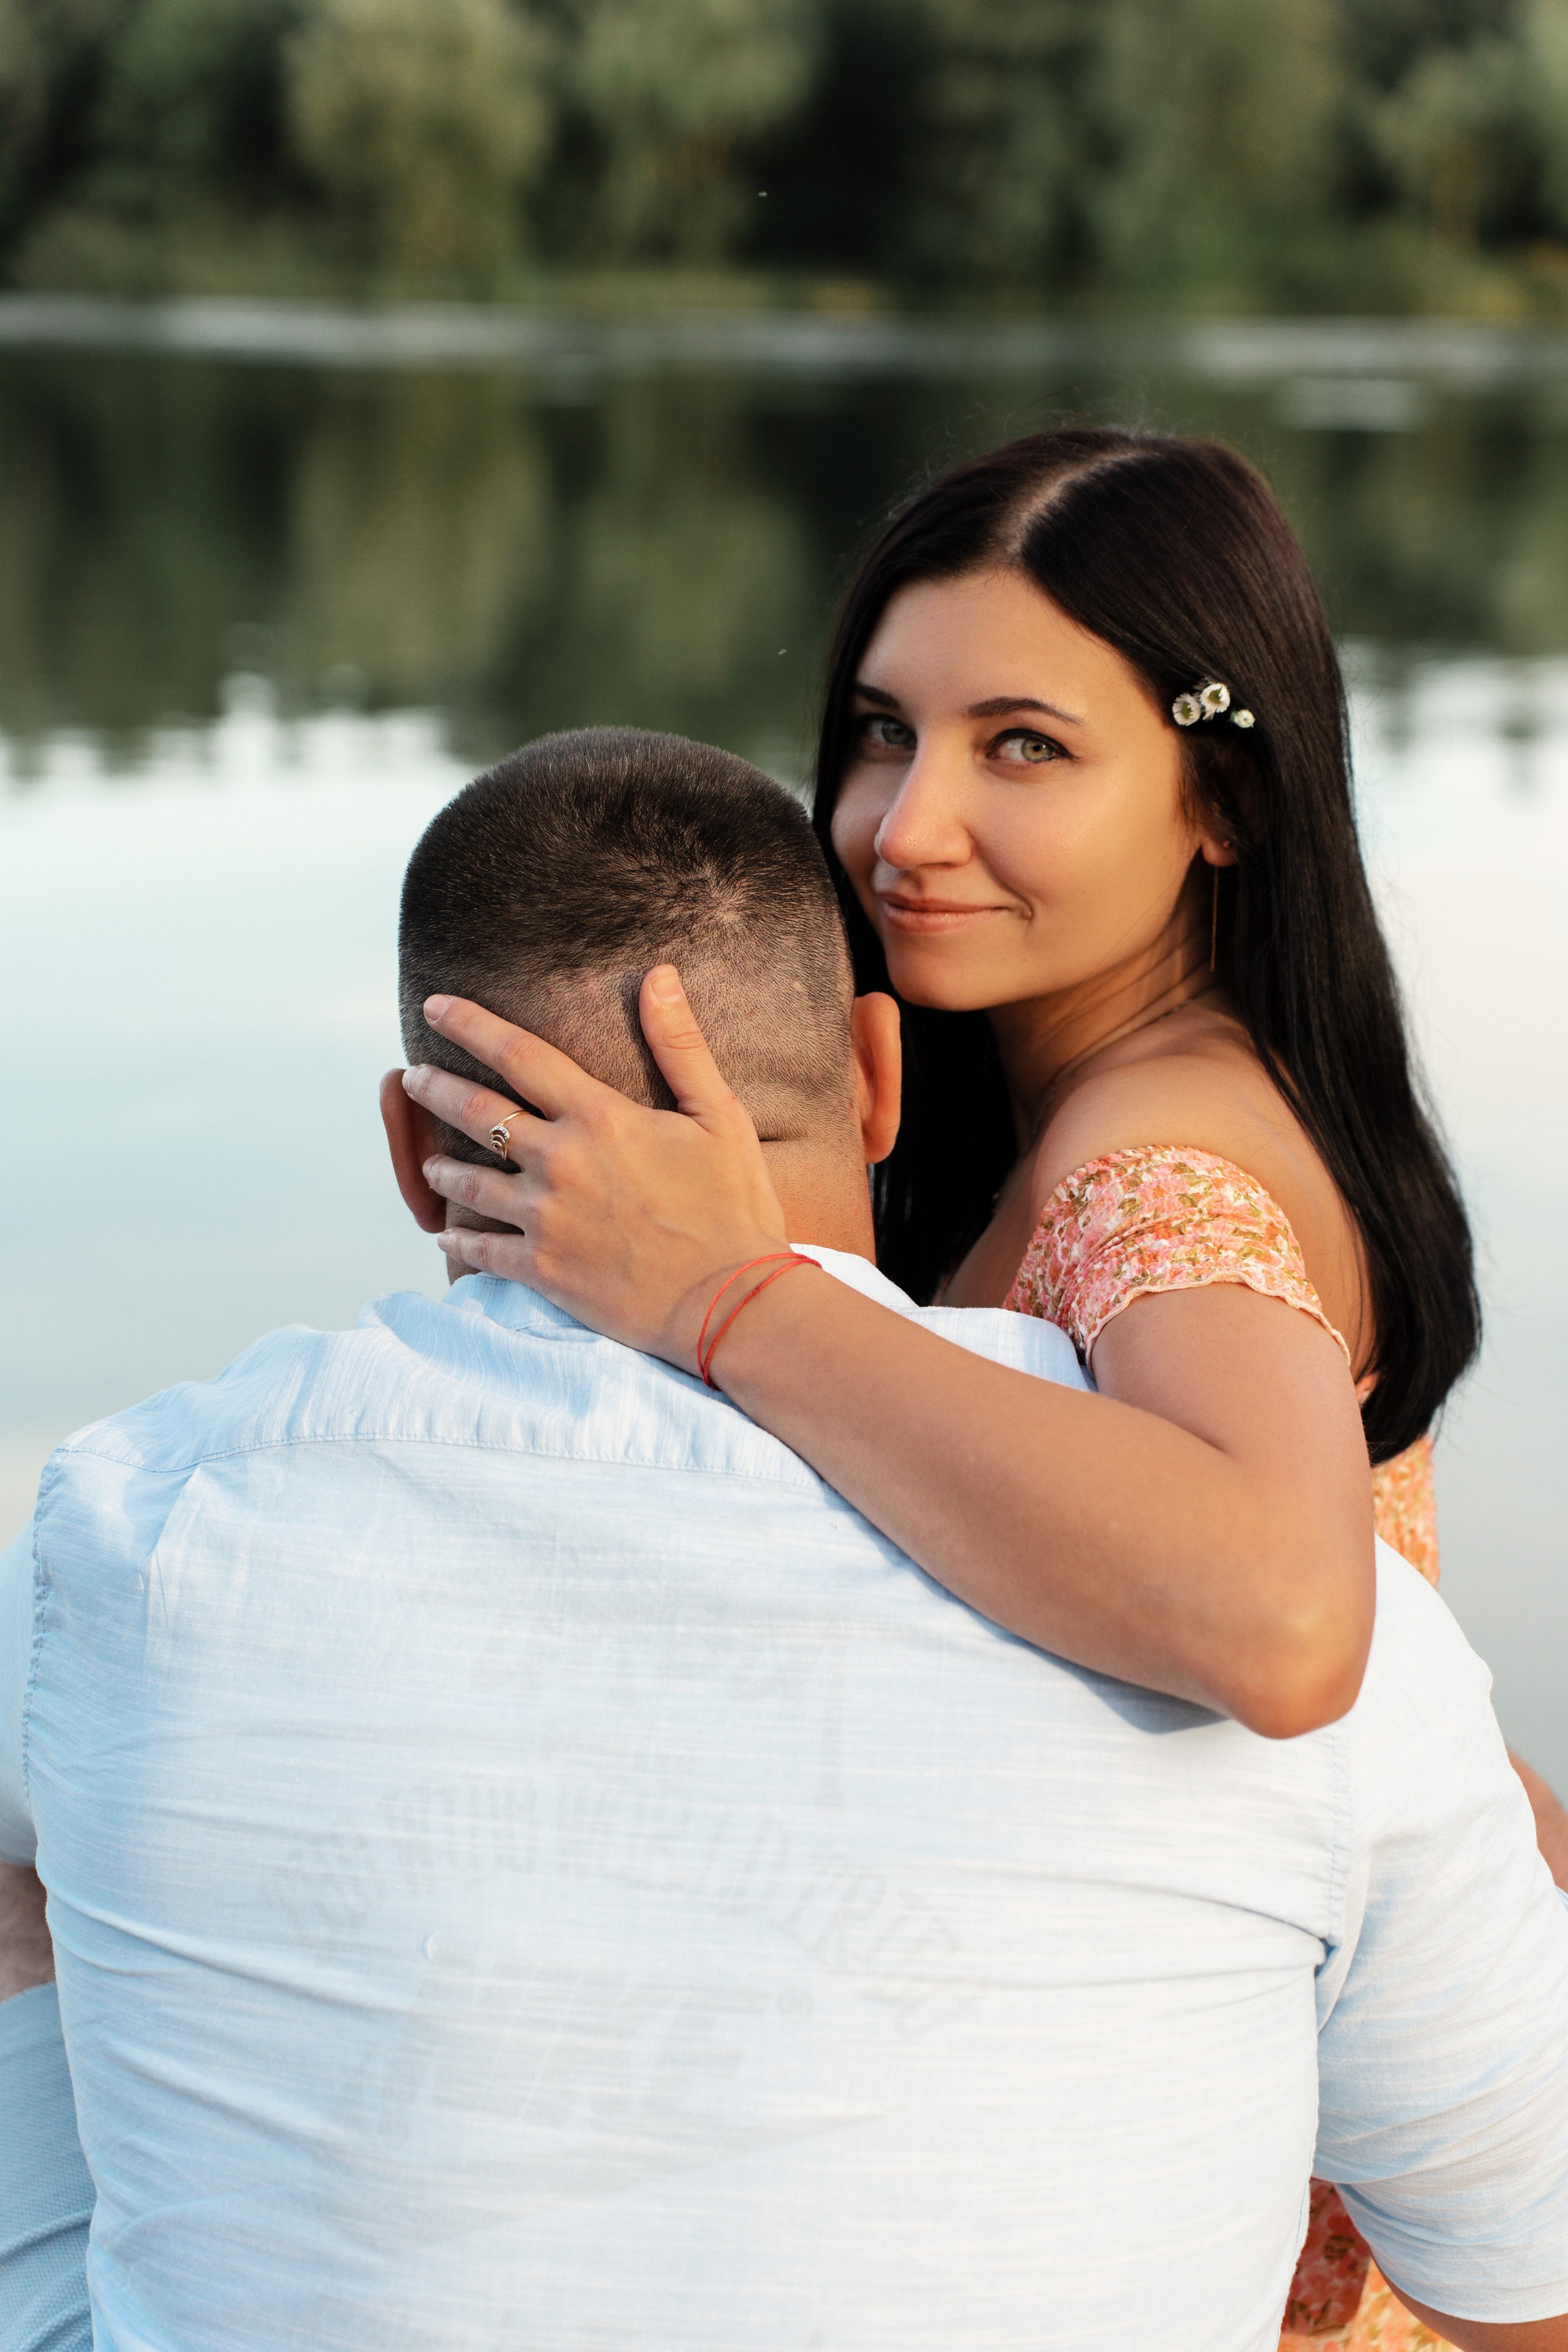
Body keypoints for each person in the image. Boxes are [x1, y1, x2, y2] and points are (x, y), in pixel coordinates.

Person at [4, 729, 1568, 2349]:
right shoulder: (1290, 1615)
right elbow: (1534, 2296)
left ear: (415, 1152)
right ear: (878, 1080)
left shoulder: (126, 1526)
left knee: (36, 1884)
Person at [407, 434, 1568, 2350]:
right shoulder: (1120, 1098)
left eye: (1023, 746)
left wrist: (726, 1296)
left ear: (1224, 798)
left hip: (1217, 2260)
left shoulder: (1155, 1161)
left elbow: (1289, 1626)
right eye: (881, 730)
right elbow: (1415, 1693)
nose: (901, 823)